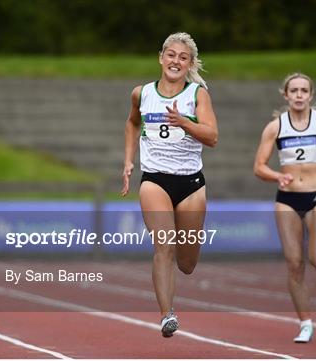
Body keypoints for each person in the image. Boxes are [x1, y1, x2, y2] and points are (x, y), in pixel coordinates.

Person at [121, 32, 218, 338]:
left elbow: (212, 137)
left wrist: (185, 123)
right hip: (155, 179)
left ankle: (182, 270)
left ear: (189, 64)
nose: (176, 61)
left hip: (190, 183)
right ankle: (167, 315)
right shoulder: (142, 93)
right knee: (164, 245)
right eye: (171, 55)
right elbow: (132, 123)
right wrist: (128, 160)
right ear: (161, 57)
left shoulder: (197, 95)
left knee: (187, 262)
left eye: (183, 57)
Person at [254, 73, 316, 343]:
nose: (298, 95)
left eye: (303, 91)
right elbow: (259, 167)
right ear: (285, 95)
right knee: (294, 264)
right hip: (287, 199)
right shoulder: (275, 128)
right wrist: (277, 176)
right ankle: (305, 322)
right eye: (293, 91)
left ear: (310, 95)